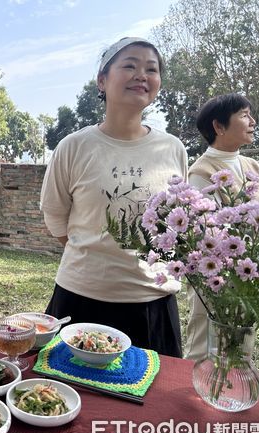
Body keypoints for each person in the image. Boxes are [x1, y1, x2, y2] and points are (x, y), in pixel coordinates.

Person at [40, 37, 188, 357]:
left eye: (152, 69)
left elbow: (176, 222)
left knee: (153, 401)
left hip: (153, 304)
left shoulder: (173, 149)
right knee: (67, 397)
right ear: (102, 80)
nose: (142, 75)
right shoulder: (74, 146)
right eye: (130, 65)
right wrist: (94, 253)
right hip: (81, 297)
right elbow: (54, 214)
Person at [184, 93, 259, 361]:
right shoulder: (202, 172)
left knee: (242, 345)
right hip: (216, 277)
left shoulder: (251, 164)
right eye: (244, 115)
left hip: (250, 274)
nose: (253, 120)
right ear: (219, 127)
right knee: (206, 344)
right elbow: (206, 235)